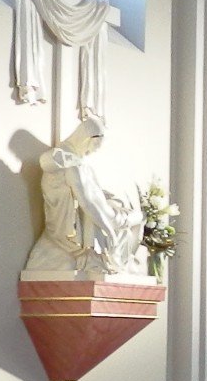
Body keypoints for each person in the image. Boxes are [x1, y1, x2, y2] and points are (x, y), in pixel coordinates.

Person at [25, 116, 142, 278]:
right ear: (86, 139)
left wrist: (108, 198)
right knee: (135, 218)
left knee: (130, 214)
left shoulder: (77, 162)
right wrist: (109, 229)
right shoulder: (70, 165)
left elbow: (93, 195)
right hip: (86, 219)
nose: (93, 151)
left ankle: (122, 255)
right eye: (94, 146)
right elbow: (87, 202)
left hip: (100, 210)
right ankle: (116, 255)